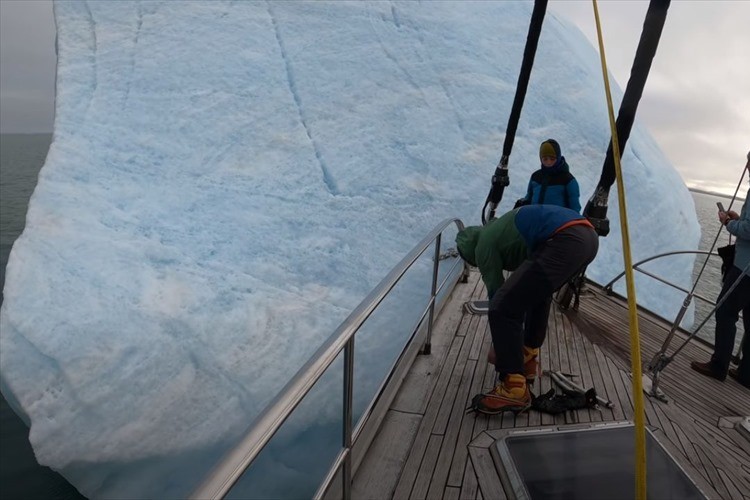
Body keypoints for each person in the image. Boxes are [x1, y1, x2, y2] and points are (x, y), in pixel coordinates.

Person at [456, 204, 599, 413]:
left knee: (501, 307)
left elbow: (498, 297)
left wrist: (501, 348)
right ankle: (527, 359)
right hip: (587, 238)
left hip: (566, 238)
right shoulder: (499, 229)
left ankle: (513, 389)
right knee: (538, 296)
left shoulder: (483, 245)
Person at [691, 157, 750, 389]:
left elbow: (748, 230)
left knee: (725, 312)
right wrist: (739, 219)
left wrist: (728, 223)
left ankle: (718, 366)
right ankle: (747, 374)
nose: (747, 167)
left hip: (745, 268)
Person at [515, 139, 581, 213]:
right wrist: (522, 203)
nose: (548, 162)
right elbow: (529, 197)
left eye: (552, 159)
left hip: (558, 222)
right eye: (545, 159)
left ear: (558, 157)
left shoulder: (568, 180)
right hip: (535, 219)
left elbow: (575, 207)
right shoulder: (535, 177)